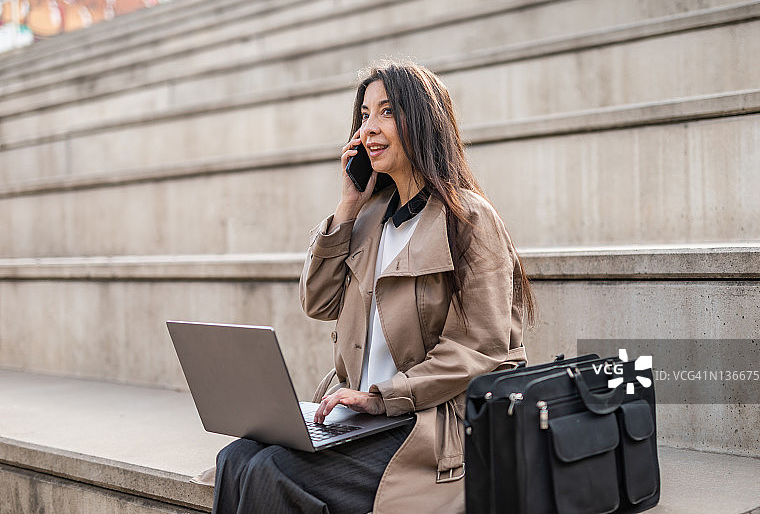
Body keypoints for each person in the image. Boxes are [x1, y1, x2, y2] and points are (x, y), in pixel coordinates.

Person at [212, 60, 534, 514]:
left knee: (272, 470)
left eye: (386, 112)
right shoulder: (368, 217)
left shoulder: (469, 218)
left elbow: (481, 347)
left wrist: (380, 397)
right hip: (362, 418)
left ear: (422, 121)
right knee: (237, 457)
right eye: (364, 115)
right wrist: (346, 206)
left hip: (428, 422)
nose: (368, 129)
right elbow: (318, 300)